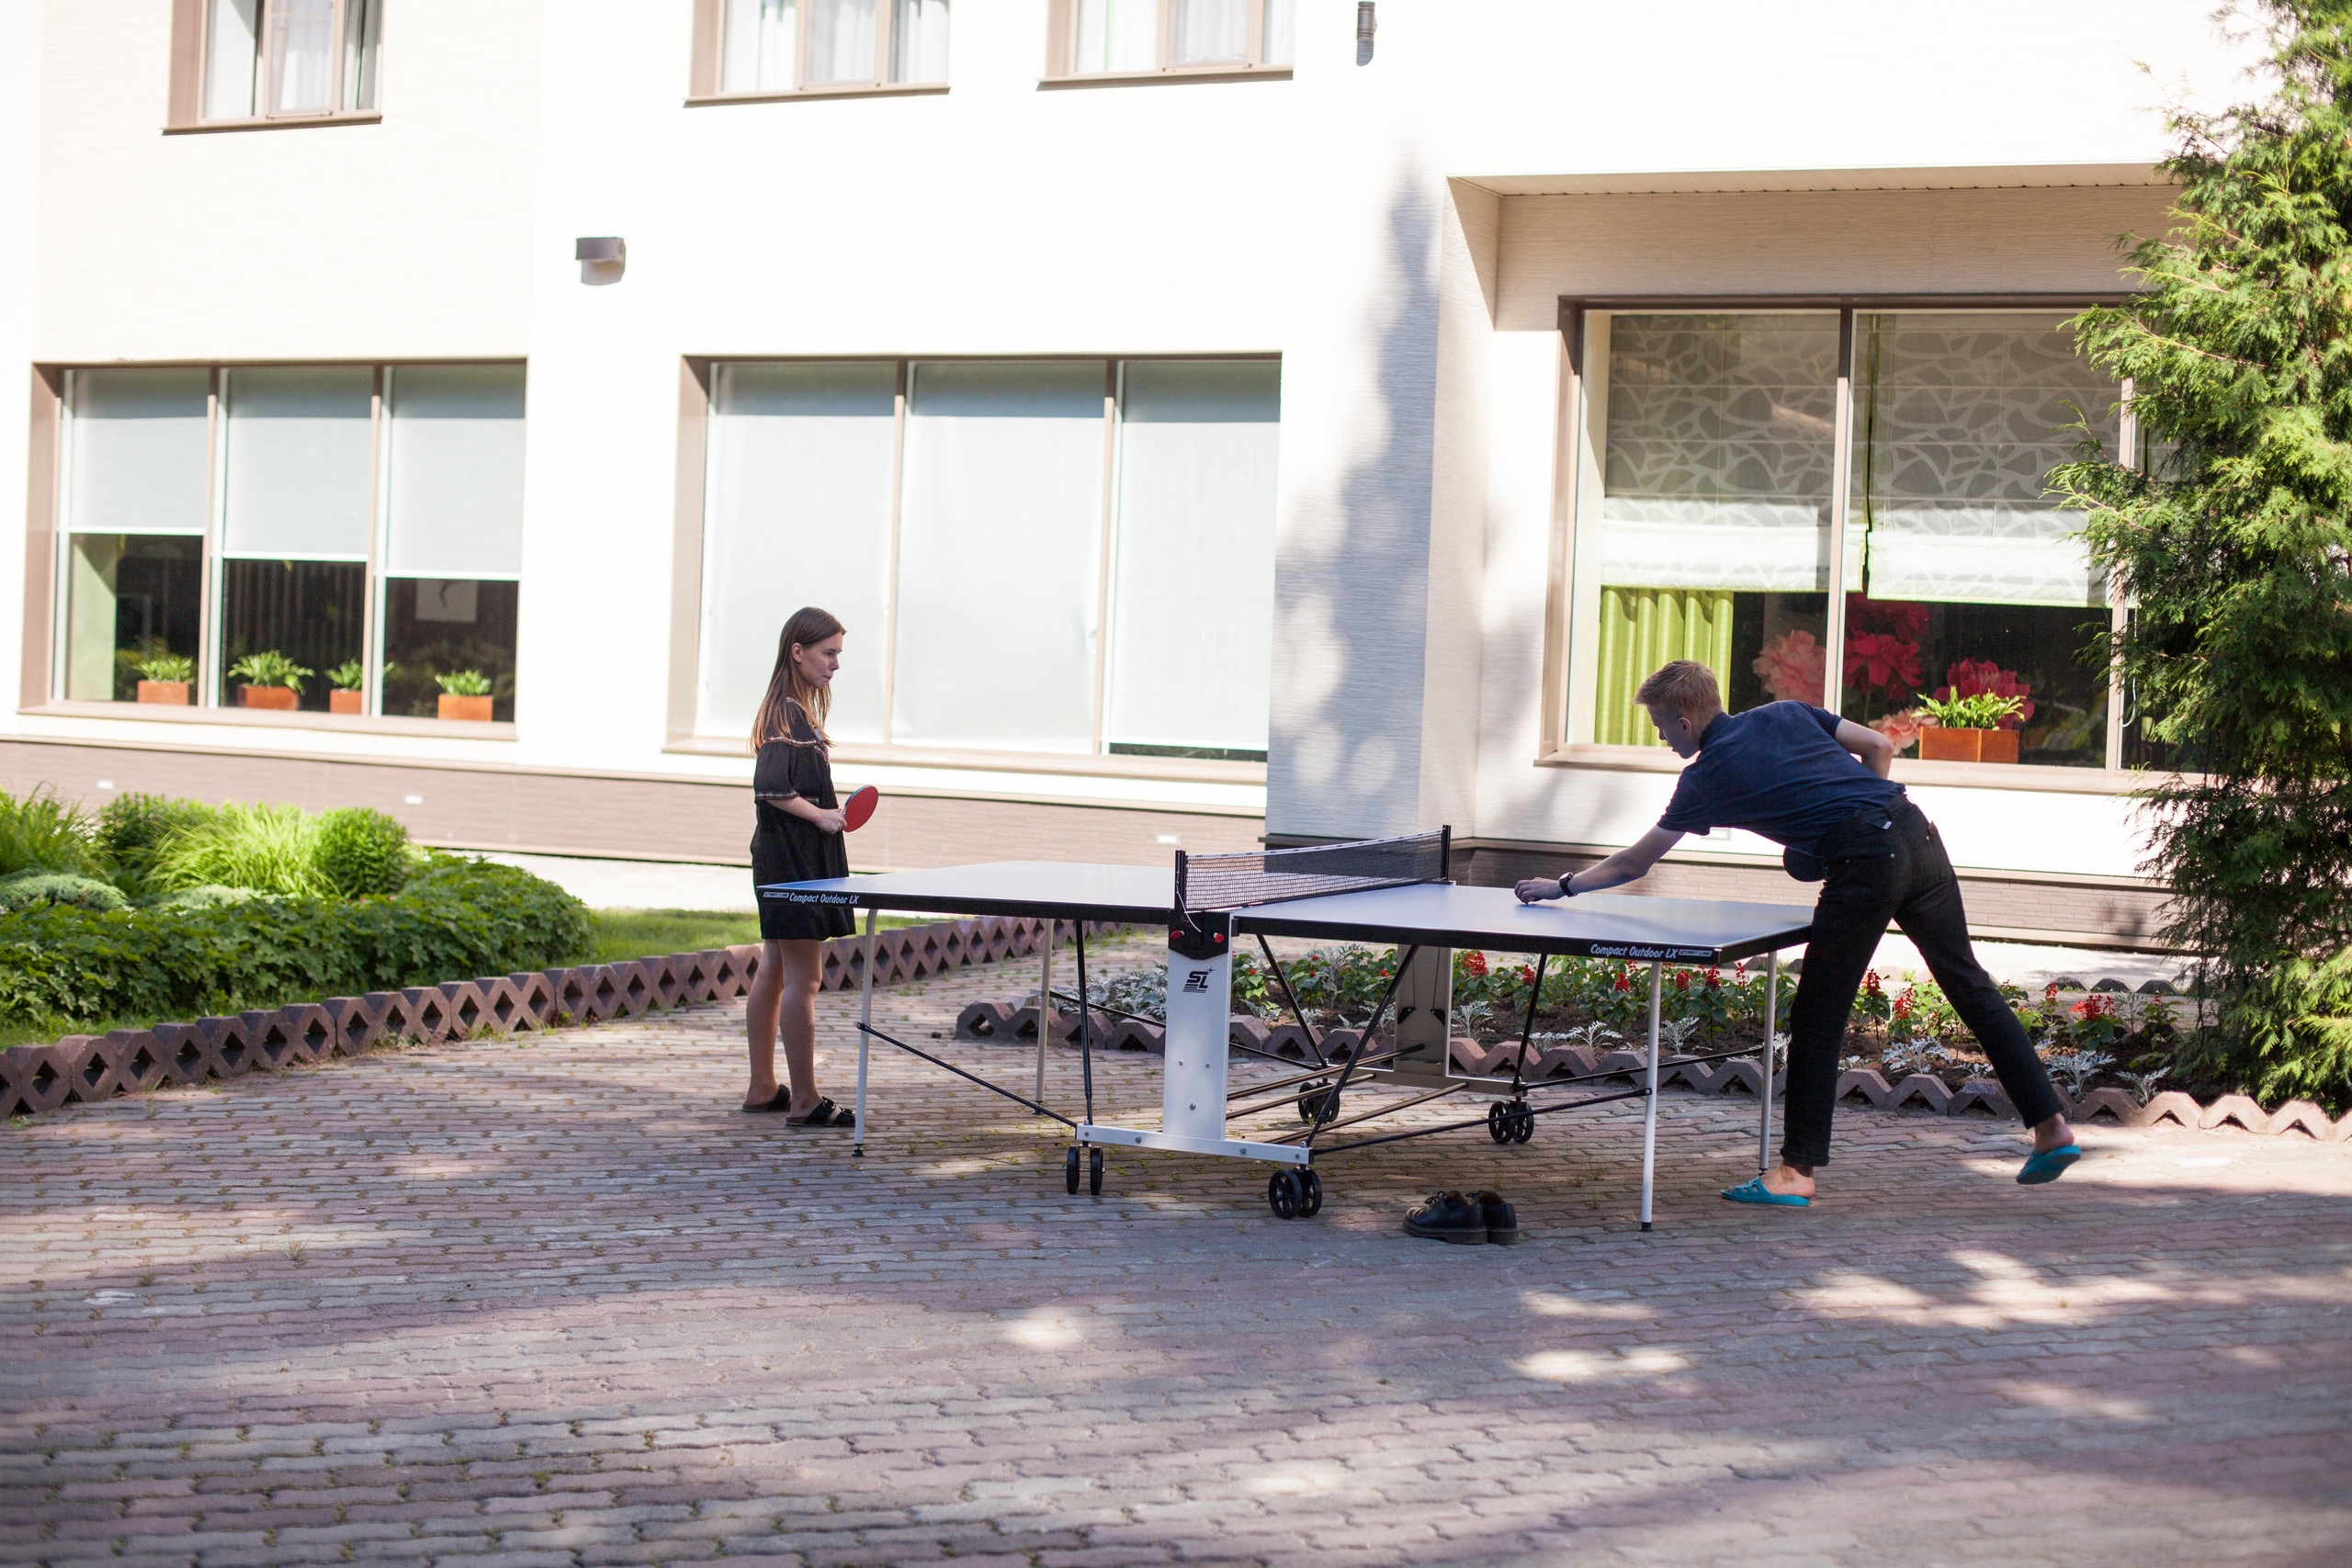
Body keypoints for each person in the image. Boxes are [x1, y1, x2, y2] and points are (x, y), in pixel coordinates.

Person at [1514, 660, 2080, 1202]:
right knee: (1969, 985)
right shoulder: (1785, 711)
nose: (1662, 738)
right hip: (1917, 833)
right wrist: (1863, 814)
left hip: (1868, 861)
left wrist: (1562, 886)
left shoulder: (1703, 778)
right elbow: (1880, 747)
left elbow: (1634, 863)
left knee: (1818, 1015)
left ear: (1685, 722)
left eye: (1662, 727)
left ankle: (1795, 1172)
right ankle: (2050, 1127)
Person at [741, 606, 856, 1125]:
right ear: (798, 651)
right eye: (828, 653)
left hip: (784, 858)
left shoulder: (788, 711)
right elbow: (771, 788)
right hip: (791, 863)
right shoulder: (787, 714)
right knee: (804, 979)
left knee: (775, 969)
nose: (835, 664)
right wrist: (823, 816)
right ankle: (805, 1100)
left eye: (838, 653)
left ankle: (763, 1088)